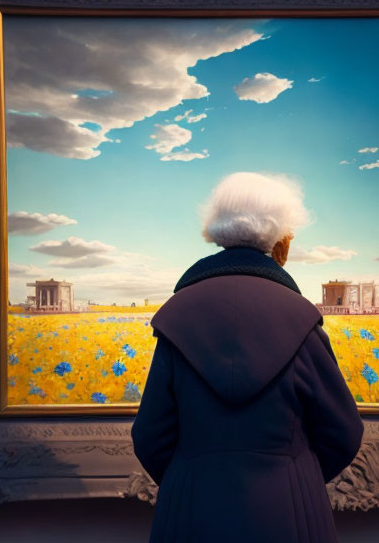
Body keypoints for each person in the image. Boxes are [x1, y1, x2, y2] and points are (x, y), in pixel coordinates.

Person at [132, 172, 364, 542]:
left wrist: (191, 477)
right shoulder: (302, 320)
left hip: (191, 515)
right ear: (279, 237)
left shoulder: (178, 316)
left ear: (218, 227)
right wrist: (292, 475)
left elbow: (149, 436)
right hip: (290, 516)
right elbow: (344, 433)